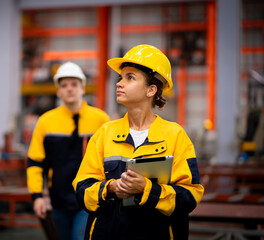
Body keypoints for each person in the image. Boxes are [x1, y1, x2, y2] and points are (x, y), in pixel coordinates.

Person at [72, 44, 204, 240]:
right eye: (120, 78)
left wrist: (147, 189)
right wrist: (110, 188)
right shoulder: (105, 134)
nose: (119, 83)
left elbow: (190, 196)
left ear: (151, 90)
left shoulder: (175, 136)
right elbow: (82, 189)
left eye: (130, 78)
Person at [26, 61, 110, 240]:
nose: (69, 89)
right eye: (64, 85)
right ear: (58, 91)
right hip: (59, 200)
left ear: (83, 88)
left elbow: (111, 159)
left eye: (74, 84)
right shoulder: (46, 122)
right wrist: (37, 196)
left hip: (90, 199)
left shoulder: (101, 121)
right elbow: (35, 162)